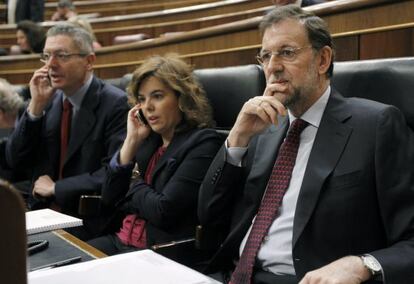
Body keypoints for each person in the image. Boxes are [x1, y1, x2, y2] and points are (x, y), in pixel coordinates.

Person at [198, 5, 414, 284]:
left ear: (322, 60)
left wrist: (363, 264)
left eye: (286, 53)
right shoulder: (263, 128)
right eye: (266, 56)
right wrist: (237, 140)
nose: (272, 67)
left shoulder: (376, 125)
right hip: (233, 274)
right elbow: (209, 215)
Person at [87, 54, 223, 267]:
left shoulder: (204, 142)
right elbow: (109, 198)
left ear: (182, 98)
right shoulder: (148, 141)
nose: (147, 107)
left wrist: (133, 183)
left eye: (157, 96)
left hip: (157, 253)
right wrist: (131, 141)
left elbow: (163, 211)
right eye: (141, 99)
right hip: (119, 241)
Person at [5, 23, 129, 239]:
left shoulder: (115, 104)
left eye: (61, 55)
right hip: (40, 213)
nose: (50, 65)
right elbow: (15, 160)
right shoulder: (47, 99)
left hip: (88, 219)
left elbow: (112, 173)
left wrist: (58, 188)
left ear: (89, 61)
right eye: (46, 56)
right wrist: (35, 109)